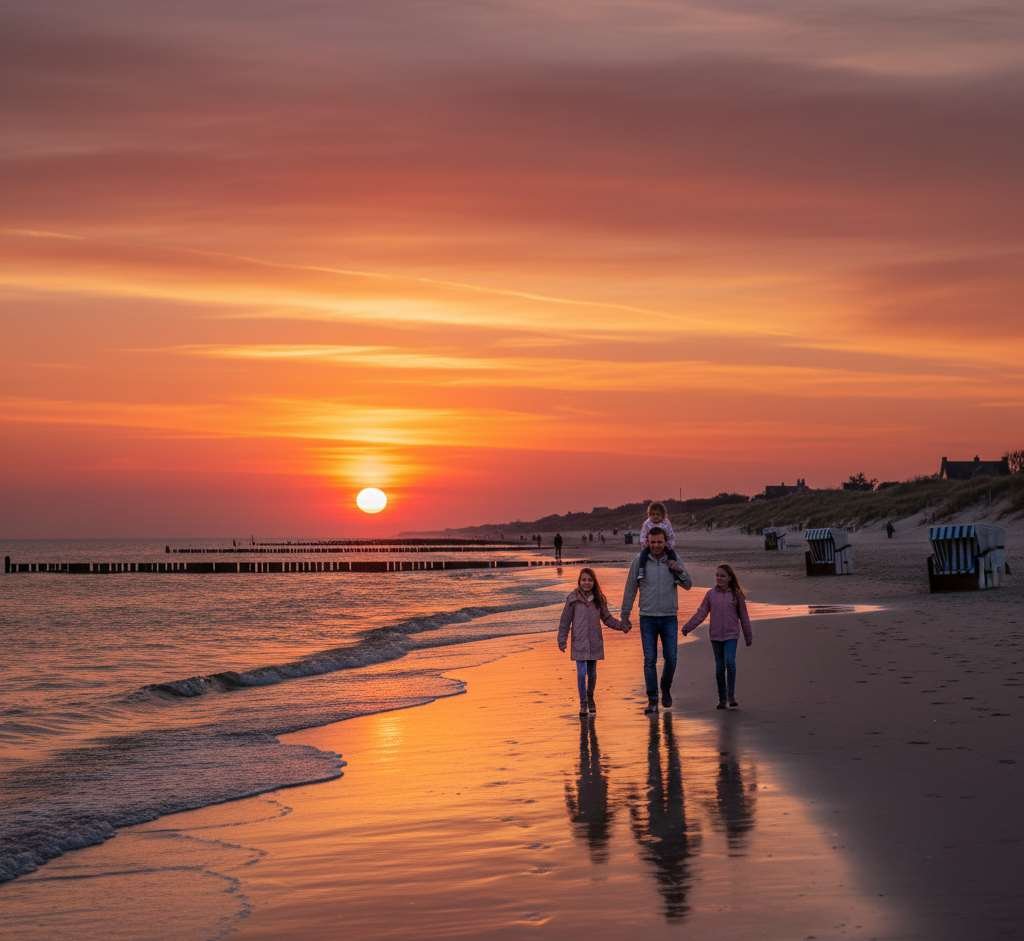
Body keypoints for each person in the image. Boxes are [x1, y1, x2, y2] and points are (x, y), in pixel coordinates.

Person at [620, 528, 692, 713]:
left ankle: (665, 688)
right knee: (649, 660)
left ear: (665, 542)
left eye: (659, 542)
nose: (656, 545)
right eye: (652, 542)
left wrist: (678, 570)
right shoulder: (639, 561)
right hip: (647, 618)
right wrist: (625, 615)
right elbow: (630, 589)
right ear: (647, 542)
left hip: (669, 617)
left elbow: (688, 585)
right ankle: (652, 699)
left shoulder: (673, 559)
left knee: (672, 659)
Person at [558, 568, 628, 716]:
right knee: (581, 674)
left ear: (594, 582)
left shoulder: (599, 599)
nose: (587, 582)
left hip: (594, 641)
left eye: (590, 580)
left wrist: (621, 626)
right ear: (579, 581)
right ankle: (583, 703)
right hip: (579, 642)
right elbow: (565, 621)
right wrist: (562, 639)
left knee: (592, 673)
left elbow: (607, 618)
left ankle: (590, 697)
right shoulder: (572, 599)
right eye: (584, 580)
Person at [681, 563, 752, 709]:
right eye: (717, 575)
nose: (719, 578)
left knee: (730, 662)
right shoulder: (710, 594)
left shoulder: (736, 595)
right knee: (720, 668)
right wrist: (688, 627)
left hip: (731, 635)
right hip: (715, 636)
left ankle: (731, 696)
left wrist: (748, 635)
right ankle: (722, 698)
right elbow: (701, 613)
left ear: (730, 578)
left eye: (722, 576)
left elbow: (744, 617)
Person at [636, 502, 683, 584]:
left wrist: (670, 545)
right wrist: (644, 544)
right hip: (648, 546)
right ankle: (641, 570)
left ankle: (676, 576)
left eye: (658, 514)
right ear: (649, 514)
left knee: (672, 556)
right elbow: (643, 535)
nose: (655, 516)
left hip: (666, 545)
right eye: (653, 514)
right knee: (643, 554)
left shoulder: (666, 523)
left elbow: (671, 534)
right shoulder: (647, 523)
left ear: (663, 515)